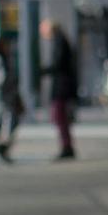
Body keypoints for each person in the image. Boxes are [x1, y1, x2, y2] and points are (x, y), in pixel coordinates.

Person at [40, 19, 77, 160]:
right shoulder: (60, 40)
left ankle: (67, 147)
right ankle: (66, 146)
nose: (43, 33)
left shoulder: (59, 41)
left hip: (62, 86)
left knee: (59, 117)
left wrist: (44, 70)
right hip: (62, 85)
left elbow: (59, 63)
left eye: (43, 30)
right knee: (60, 117)